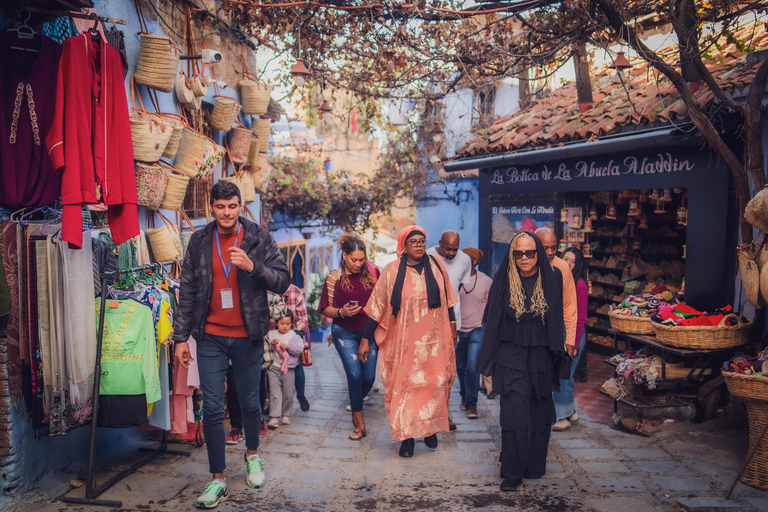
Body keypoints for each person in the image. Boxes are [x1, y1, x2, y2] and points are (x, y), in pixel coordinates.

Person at [173, 180, 290, 509]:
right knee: (211, 408)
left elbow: (283, 279)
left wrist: (253, 267)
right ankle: (217, 478)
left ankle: (253, 456)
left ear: (241, 207)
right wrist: (181, 338)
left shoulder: (258, 238)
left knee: (251, 403)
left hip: (247, 336)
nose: (226, 212)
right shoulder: (198, 240)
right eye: (220, 206)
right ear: (213, 207)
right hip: (209, 337)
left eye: (232, 206)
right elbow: (188, 291)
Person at [476, 231, 574, 492]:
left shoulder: (553, 276)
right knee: (514, 412)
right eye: (518, 253)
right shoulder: (504, 278)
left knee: (538, 412)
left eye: (530, 252)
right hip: (511, 356)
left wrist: (562, 349)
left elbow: (558, 318)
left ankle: (533, 464)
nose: (524, 258)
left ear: (538, 253)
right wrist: (487, 365)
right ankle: (511, 471)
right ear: (513, 254)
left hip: (541, 356)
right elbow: (493, 322)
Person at [361, 226, 457, 458]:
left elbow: (448, 301)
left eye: (422, 241)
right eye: (413, 241)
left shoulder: (436, 266)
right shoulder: (392, 271)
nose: (419, 245)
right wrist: (365, 338)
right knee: (406, 391)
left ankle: (429, 429)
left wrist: (452, 327)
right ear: (403, 246)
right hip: (404, 344)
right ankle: (408, 438)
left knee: (434, 386)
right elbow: (377, 307)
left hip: (435, 343)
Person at [318, 234, 380, 440]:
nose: (358, 263)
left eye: (362, 260)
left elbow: (380, 304)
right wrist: (341, 313)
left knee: (369, 377)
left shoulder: (373, 274)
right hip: (344, 333)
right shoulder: (334, 278)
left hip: (369, 333)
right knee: (354, 376)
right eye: (354, 259)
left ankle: (356, 402)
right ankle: (359, 423)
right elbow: (325, 308)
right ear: (344, 256)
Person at [427, 230, 471, 430]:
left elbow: (456, 290)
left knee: (447, 373)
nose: (452, 253)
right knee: (429, 372)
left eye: (455, 249)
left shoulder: (465, 260)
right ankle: (428, 411)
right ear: (439, 244)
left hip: (453, 325)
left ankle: (444, 413)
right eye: (448, 249)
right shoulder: (428, 255)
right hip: (427, 324)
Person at [552, 247, 589, 431]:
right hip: (562, 333)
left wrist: (573, 344)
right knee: (566, 374)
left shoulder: (580, 284)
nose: (568, 263)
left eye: (572, 261)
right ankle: (571, 411)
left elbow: (581, 317)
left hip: (574, 335)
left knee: (563, 376)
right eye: (565, 258)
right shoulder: (560, 279)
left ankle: (562, 417)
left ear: (578, 264)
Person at [457, 247, 493, 419]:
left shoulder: (486, 281)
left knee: (472, 367)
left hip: (478, 329)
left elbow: (491, 307)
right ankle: (464, 397)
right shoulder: (454, 279)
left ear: (474, 261)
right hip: (457, 329)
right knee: (461, 367)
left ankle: (472, 405)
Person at [534, 228, 578, 349]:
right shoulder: (526, 264)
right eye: (545, 248)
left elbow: (569, 304)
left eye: (553, 248)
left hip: (556, 329)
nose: (550, 252)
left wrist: (569, 339)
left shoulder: (562, 267)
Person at [264, 311, 304, 429]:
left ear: (292, 323)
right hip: (273, 368)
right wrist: (272, 344)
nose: (285, 326)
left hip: (289, 369)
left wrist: (289, 347)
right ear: (276, 323)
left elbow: (299, 348)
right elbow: (264, 345)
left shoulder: (294, 335)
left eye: (288, 323)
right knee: (274, 393)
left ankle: (286, 415)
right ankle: (274, 417)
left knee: (288, 393)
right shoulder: (271, 334)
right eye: (282, 323)